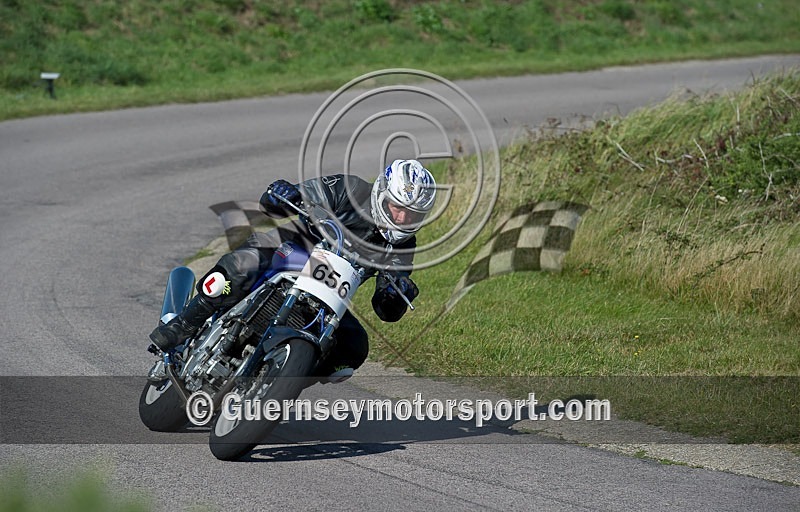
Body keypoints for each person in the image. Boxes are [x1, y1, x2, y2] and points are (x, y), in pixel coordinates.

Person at [149, 159, 437, 380]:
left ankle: (277, 380)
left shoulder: (404, 245)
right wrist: (285, 194)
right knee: (244, 264)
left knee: (355, 348)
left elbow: (386, 310)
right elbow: (288, 200)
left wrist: (395, 294)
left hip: (327, 296)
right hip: (291, 251)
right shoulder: (350, 189)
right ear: (381, 194)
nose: (402, 217)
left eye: (412, 214)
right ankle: (184, 325)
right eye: (398, 208)